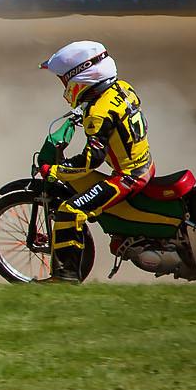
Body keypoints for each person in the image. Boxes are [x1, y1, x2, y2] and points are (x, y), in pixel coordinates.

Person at [39, 40, 154, 280]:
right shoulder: (122, 88)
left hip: (127, 178)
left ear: (78, 79)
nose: (63, 86)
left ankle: (65, 277)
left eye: (63, 80)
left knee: (69, 209)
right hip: (146, 165)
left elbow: (91, 161)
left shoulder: (97, 114)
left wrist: (57, 170)